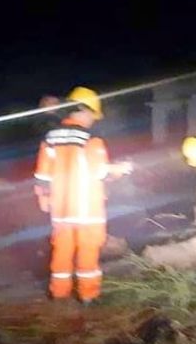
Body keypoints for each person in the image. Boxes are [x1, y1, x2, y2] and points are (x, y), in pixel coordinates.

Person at [33, 87, 132, 304]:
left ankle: (59, 293)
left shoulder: (51, 138)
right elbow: (99, 171)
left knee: (62, 250)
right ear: (83, 111)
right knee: (88, 251)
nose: (93, 120)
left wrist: (43, 198)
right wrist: (118, 169)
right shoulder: (91, 139)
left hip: (61, 209)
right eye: (92, 115)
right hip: (87, 208)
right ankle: (88, 295)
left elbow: (42, 173)